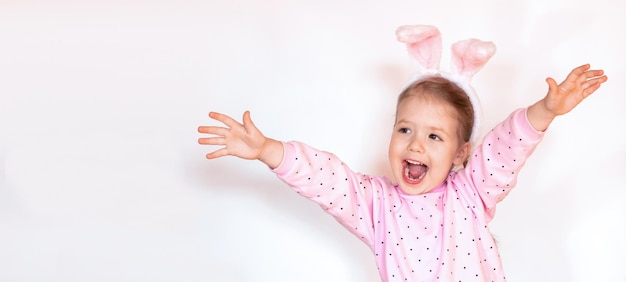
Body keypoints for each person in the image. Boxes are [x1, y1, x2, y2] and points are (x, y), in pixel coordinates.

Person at [197, 26, 607, 281]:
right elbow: (327, 180)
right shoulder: (377, 205)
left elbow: (504, 150)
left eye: (434, 137)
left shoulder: (471, 193)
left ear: (461, 153)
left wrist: (545, 111)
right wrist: (269, 150)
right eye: (406, 129)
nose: (414, 144)